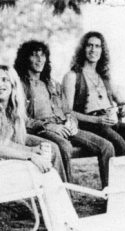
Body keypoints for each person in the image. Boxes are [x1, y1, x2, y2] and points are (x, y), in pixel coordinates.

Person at [14, 40, 115, 188]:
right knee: (65, 146)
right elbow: (22, 118)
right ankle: (66, 195)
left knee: (106, 146)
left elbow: (68, 111)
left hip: (64, 127)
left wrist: (72, 122)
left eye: (43, 56)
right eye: (35, 56)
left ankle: (111, 192)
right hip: (42, 130)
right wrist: (49, 126)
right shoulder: (20, 86)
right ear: (25, 59)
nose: (40, 59)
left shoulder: (52, 84)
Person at [0, 65, 84, 231]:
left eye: (4, 80)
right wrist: (31, 156)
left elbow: (7, 143)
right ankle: (62, 229)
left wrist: (32, 150)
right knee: (45, 174)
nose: (0, 84)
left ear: (13, 85)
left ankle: (65, 225)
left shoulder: (8, 112)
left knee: (48, 173)